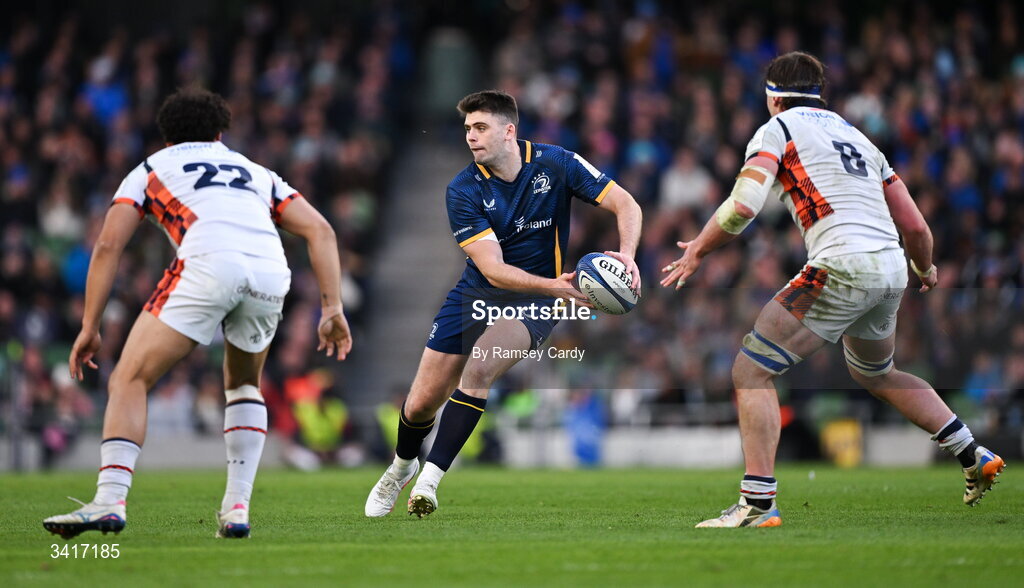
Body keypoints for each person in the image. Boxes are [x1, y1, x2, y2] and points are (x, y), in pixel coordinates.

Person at [660, 52, 1005, 528]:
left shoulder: (776, 130)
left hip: (841, 265)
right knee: (878, 373)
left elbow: (742, 207)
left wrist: (698, 247)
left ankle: (757, 504)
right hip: (890, 268)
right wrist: (924, 270)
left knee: (750, 370)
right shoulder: (859, 137)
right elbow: (918, 228)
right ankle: (973, 451)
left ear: (772, 96)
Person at [42, 88, 352, 539]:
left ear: (166, 137)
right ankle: (237, 506)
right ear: (220, 132)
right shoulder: (256, 170)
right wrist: (332, 307)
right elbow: (321, 230)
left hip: (209, 262)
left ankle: (109, 500)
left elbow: (109, 244)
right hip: (269, 270)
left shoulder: (150, 168)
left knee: (128, 379)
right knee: (244, 382)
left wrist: (90, 325)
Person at [365, 90, 642, 518]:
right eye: (467, 130)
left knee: (480, 366)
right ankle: (402, 466)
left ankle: (429, 481)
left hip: (536, 301)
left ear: (508, 131)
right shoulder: (462, 189)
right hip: (479, 293)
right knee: (420, 403)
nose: (471, 137)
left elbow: (626, 203)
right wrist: (555, 286)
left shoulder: (557, 162)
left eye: (480, 128)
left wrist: (626, 254)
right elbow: (492, 270)